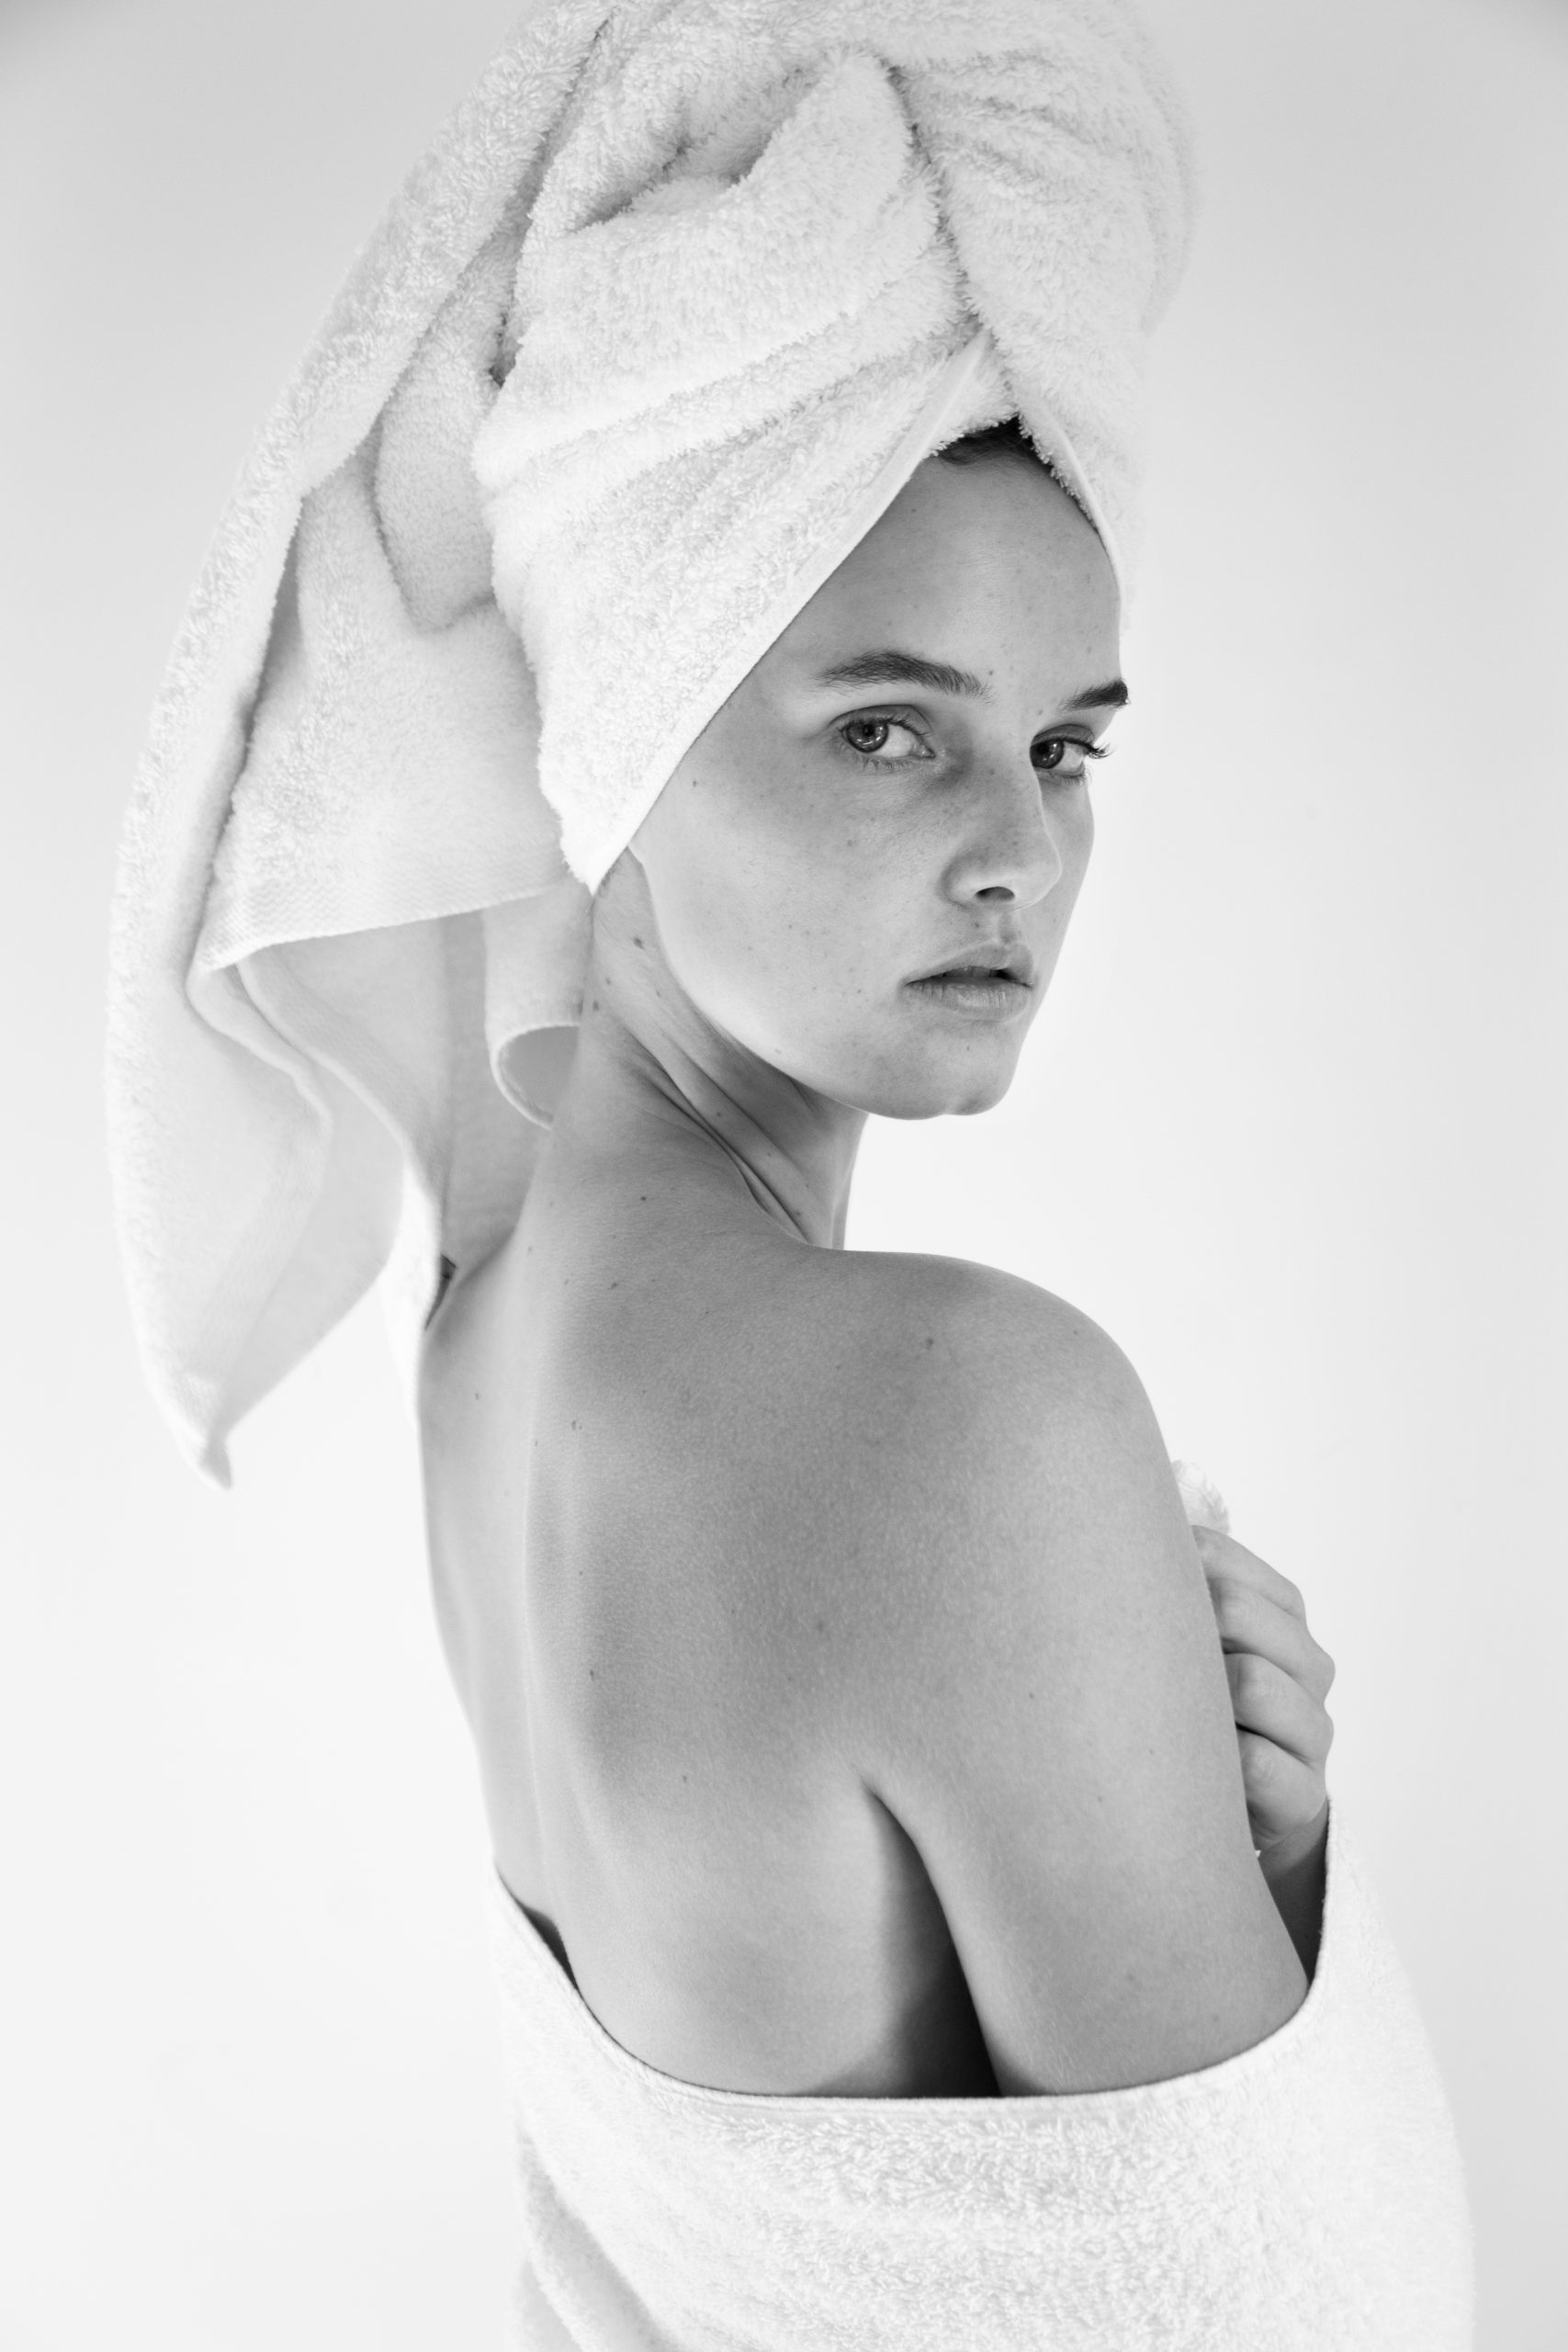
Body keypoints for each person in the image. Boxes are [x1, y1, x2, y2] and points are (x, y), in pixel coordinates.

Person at [419, 415, 1336, 2101]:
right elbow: (1250, 2243)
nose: (1023, 854)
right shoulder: (975, 1410)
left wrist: (1228, 1836)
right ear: (617, 746)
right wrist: (1259, 1879)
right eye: (886, 731)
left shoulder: (476, 1337)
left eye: (1063, 747)